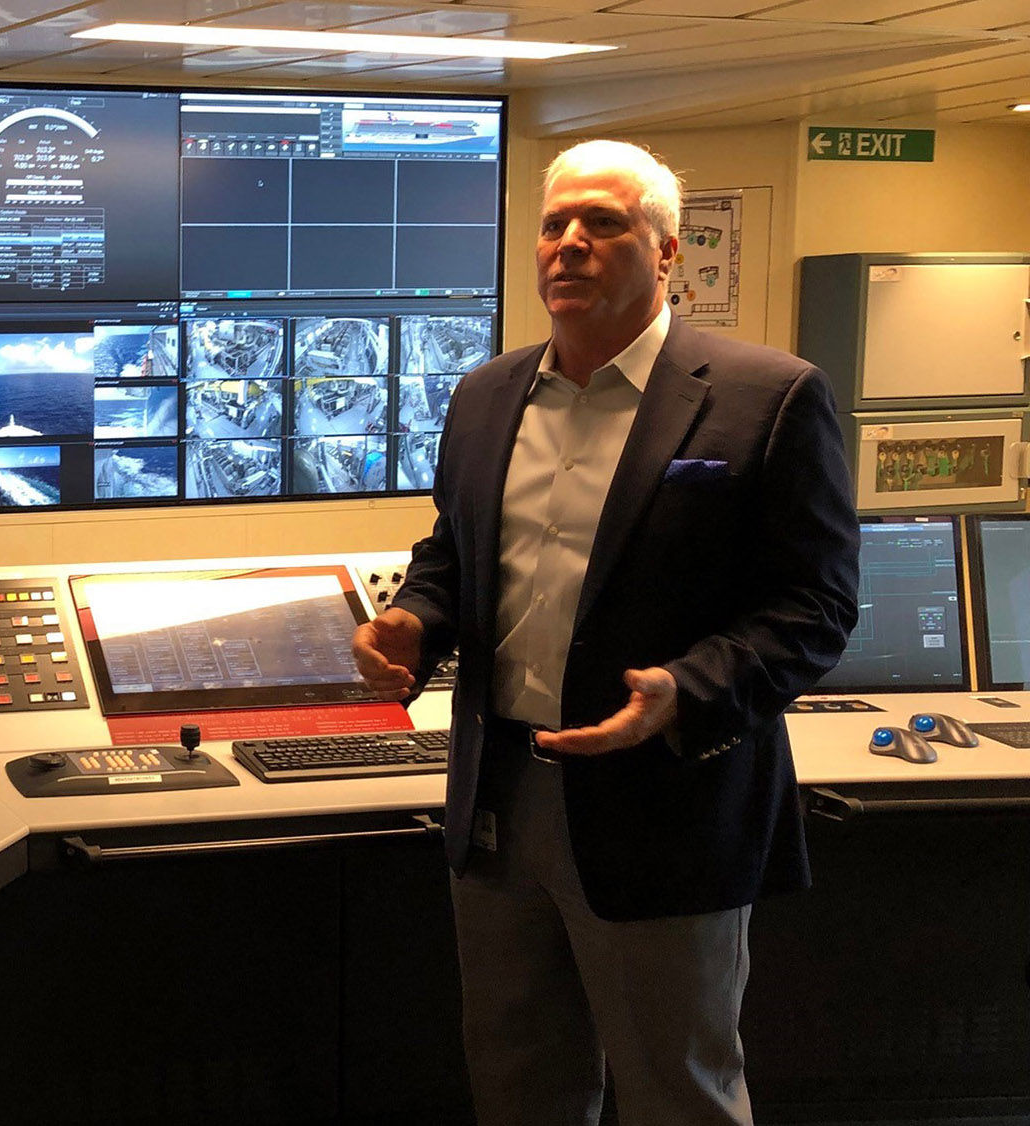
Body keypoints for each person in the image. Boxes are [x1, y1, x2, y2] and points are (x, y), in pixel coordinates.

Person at [352, 140, 859, 1125]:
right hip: (500, 792)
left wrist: (686, 686)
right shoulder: (484, 395)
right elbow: (454, 552)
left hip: (662, 799)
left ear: (666, 252)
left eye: (603, 225)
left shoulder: (766, 397)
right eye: (554, 224)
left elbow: (814, 606)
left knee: (677, 1088)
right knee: (518, 1079)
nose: (569, 245)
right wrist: (416, 615)